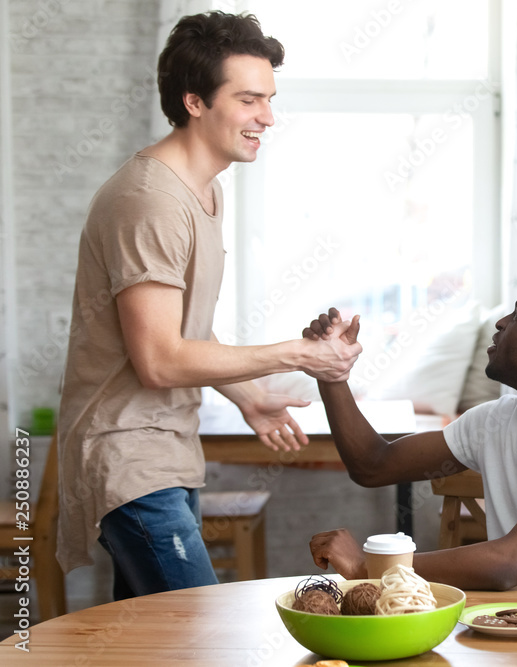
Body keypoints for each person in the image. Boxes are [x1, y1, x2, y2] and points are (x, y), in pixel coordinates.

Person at [56, 11, 362, 600]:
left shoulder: (203, 190)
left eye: (269, 99)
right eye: (249, 100)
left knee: (155, 642)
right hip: (128, 454)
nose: (267, 118)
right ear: (194, 102)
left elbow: (185, 328)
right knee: (201, 631)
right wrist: (300, 354)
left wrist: (252, 398)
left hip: (166, 448)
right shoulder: (150, 200)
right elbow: (160, 361)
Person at [304, 276, 517, 590]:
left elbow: (509, 563)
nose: (501, 322)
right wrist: (332, 376)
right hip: (504, 617)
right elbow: (373, 465)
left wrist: (369, 567)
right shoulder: (493, 420)